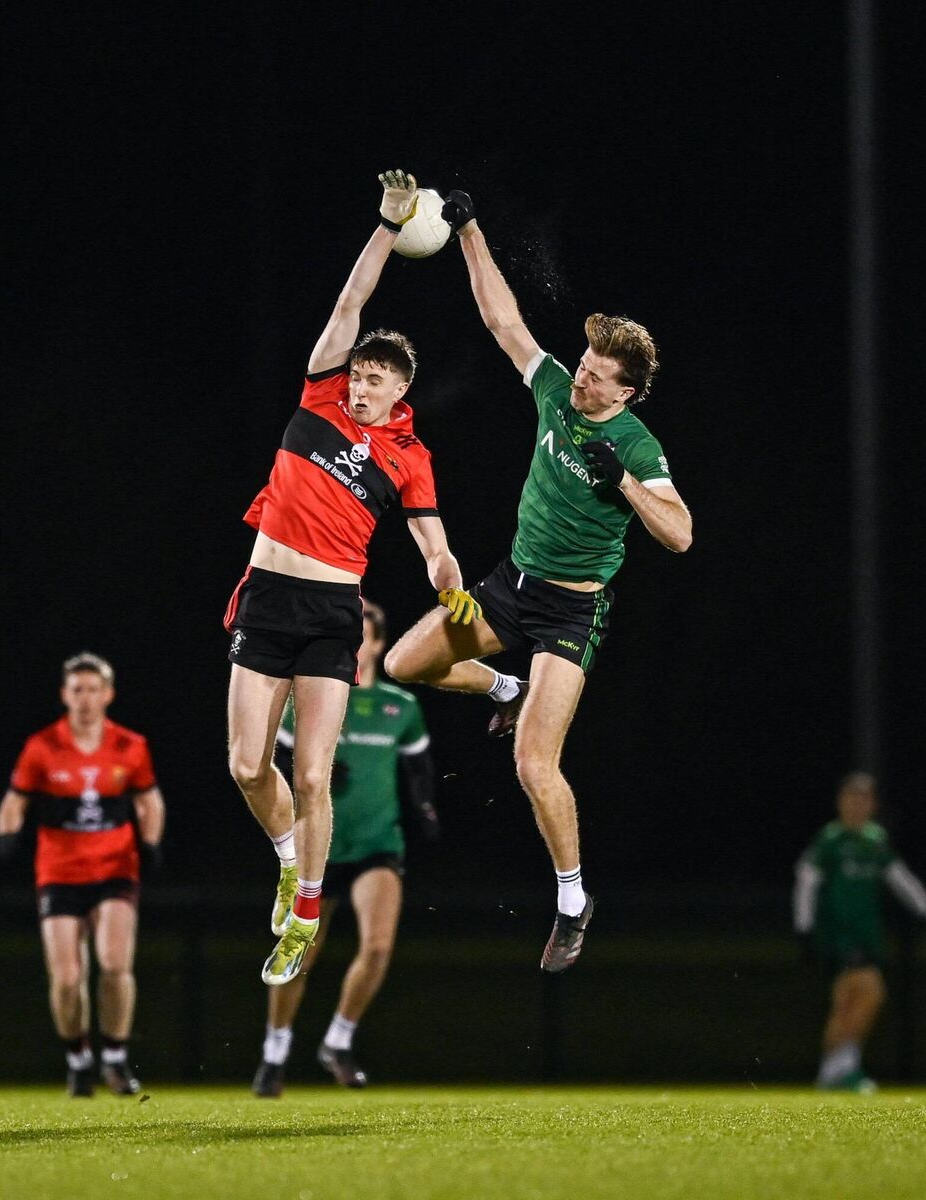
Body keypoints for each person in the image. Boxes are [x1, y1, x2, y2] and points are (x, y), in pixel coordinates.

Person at [384, 188, 693, 973]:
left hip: (568, 616)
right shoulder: (557, 389)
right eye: (584, 369)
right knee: (400, 664)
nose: (583, 383)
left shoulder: (636, 441)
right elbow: (502, 319)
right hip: (508, 588)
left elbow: (682, 534)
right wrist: (468, 229)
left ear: (627, 392)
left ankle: (571, 900)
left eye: (597, 380)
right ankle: (501, 690)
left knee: (532, 764)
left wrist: (623, 481)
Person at [225, 169, 478, 989]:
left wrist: (450, 583)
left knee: (311, 773)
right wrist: (386, 225)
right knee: (245, 765)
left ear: (402, 390)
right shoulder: (319, 396)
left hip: (334, 610)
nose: (363, 386)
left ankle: (304, 913)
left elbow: (433, 544)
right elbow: (348, 306)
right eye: (360, 374)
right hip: (267, 596)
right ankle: (289, 857)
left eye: (377, 379)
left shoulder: (409, 458)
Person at [251, 600, 438, 1096]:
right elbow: (276, 766)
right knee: (302, 955)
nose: (358, 642)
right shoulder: (312, 698)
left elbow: (419, 771)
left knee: (377, 947)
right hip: (320, 850)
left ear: (377, 642)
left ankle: (338, 1040)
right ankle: (274, 1053)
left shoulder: (402, 707)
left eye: (366, 634)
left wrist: (426, 812)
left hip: (378, 843)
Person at [0, 652, 165, 1098]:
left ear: (108, 695)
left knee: (113, 964)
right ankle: (77, 1058)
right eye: (77, 690)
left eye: (93, 690)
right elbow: (15, 800)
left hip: (114, 868)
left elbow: (149, 801)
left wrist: (151, 843)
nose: (85, 699)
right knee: (68, 978)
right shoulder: (42, 746)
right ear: (64, 695)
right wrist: (7, 835)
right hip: (59, 871)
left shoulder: (130, 746)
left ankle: (115, 1055)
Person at [792, 770, 926, 1092]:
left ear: (873, 804)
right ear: (839, 802)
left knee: (845, 1001)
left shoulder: (875, 840)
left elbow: (900, 878)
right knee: (872, 991)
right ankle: (844, 1067)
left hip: (867, 933)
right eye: (851, 797)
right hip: (839, 932)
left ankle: (829, 1073)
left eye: (864, 799)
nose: (857, 805)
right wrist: (804, 928)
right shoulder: (830, 840)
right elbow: (806, 881)